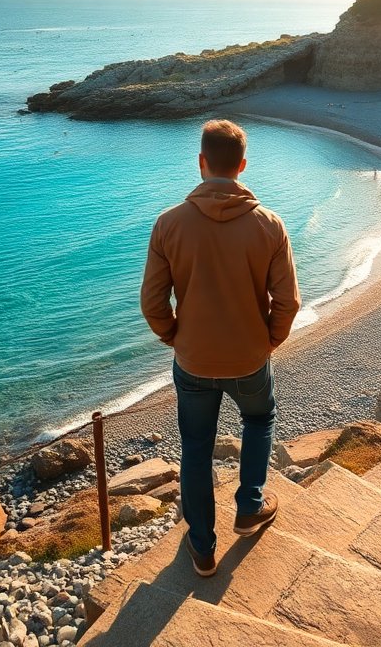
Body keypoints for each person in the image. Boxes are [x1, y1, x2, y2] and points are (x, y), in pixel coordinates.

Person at [140, 119, 300, 577]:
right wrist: (269, 339)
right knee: (259, 418)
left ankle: (203, 546)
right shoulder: (269, 224)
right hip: (250, 357)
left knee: (195, 445)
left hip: (192, 361)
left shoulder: (168, 223)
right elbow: (288, 301)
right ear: (242, 166)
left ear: (201, 162)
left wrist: (174, 336)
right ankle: (249, 505)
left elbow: (153, 303)